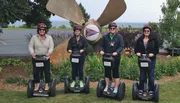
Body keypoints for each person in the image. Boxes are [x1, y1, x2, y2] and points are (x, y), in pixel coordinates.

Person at [100, 22, 124, 93]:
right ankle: (107, 86)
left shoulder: (119, 37)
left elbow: (121, 46)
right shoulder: (105, 37)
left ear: (115, 29)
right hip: (106, 57)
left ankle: (116, 87)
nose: (112, 29)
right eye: (111, 28)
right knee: (107, 72)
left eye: (114, 28)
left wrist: (117, 52)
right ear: (109, 29)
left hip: (115, 58)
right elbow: (101, 45)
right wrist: (101, 50)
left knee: (115, 72)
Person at [29, 22, 54, 91]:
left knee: (47, 72)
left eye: (43, 30)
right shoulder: (34, 37)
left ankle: (46, 84)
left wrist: (49, 52)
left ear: (45, 30)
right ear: (38, 30)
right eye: (40, 30)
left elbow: (51, 47)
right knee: (36, 72)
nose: (42, 31)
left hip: (45, 58)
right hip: (36, 58)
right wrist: (32, 53)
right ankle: (37, 84)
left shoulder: (49, 38)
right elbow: (30, 46)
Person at [134, 25, 159, 95]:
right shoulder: (140, 39)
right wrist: (137, 53)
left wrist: (153, 54)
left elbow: (157, 50)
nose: (146, 32)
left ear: (150, 32)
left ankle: (151, 90)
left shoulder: (154, 39)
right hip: (142, 60)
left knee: (150, 75)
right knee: (142, 75)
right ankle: (141, 89)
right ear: (143, 31)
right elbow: (136, 49)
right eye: (145, 31)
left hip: (151, 60)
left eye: (148, 31)